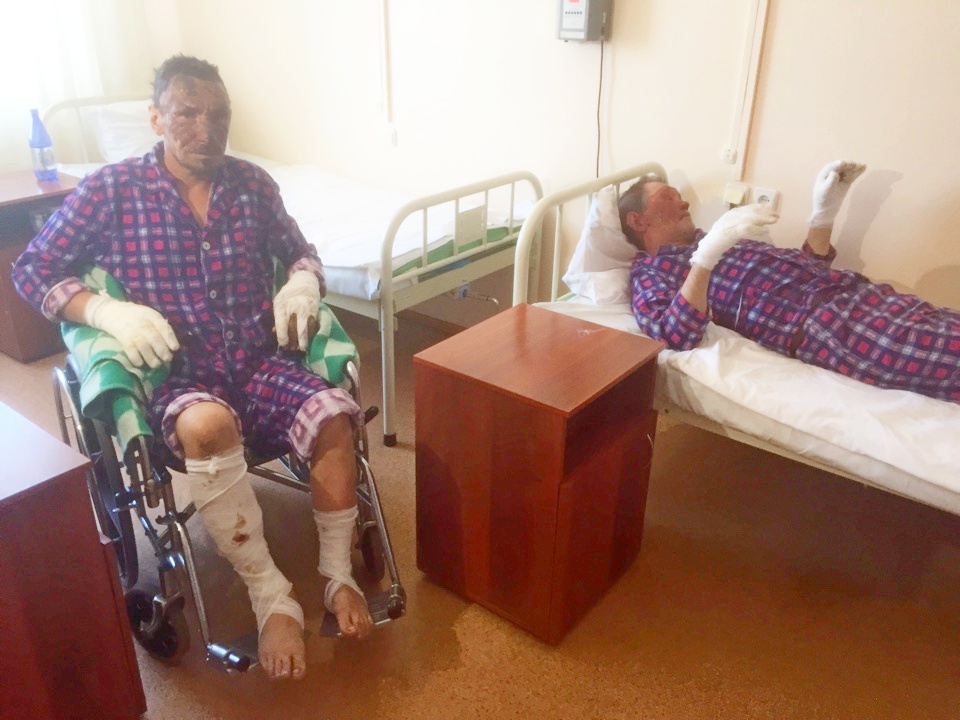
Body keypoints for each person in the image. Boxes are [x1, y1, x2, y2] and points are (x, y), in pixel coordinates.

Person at [11, 55, 374, 680]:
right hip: (179, 374)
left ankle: (338, 575)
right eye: (187, 113)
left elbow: (300, 252)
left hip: (261, 361)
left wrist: (302, 283)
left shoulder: (253, 185)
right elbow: (33, 268)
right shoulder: (111, 190)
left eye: (219, 114)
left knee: (336, 415)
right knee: (208, 428)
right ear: (156, 118)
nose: (206, 129)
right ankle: (270, 595)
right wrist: (103, 310)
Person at [617, 161, 960, 403]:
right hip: (829, 325)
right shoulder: (652, 272)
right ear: (638, 220)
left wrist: (824, 213)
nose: (684, 202)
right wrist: (706, 257)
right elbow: (673, 335)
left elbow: (806, 271)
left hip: (856, 292)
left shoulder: (720, 235)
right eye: (667, 197)